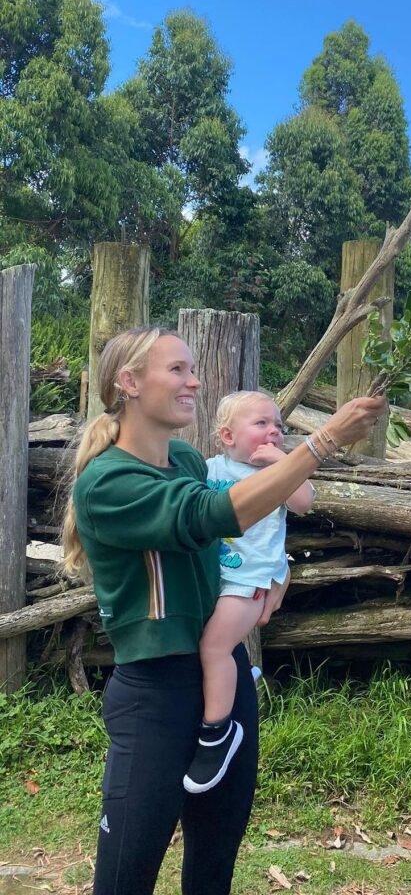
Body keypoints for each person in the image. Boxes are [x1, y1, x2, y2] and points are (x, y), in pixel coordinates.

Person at [62, 326, 385, 895]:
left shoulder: (187, 457)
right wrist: (323, 441)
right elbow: (210, 516)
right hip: (155, 694)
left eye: (193, 368)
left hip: (225, 679)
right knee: (125, 875)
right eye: (178, 370)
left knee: (215, 860)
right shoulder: (107, 482)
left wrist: (274, 574)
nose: (194, 380)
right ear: (129, 383)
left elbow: (230, 545)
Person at [182, 391, 314, 794]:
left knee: (215, 648)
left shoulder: (281, 472)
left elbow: (305, 502)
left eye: (280, 426)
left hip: (250, 581)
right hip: (211, 577)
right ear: (226, 435)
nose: (274, 431)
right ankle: (237, 684)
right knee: (203, 646)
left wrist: (284, 465)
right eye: (262, 424)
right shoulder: (209, 468)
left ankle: (216, 734)